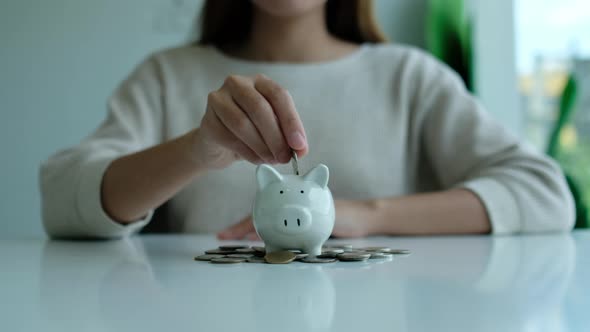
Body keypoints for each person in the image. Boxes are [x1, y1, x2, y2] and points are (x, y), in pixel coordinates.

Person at [39, 0, 574, 240]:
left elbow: (545, 194)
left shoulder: (410, 78)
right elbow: (63, 198)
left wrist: (362, 214)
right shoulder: (168, 77)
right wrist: (195, 151)